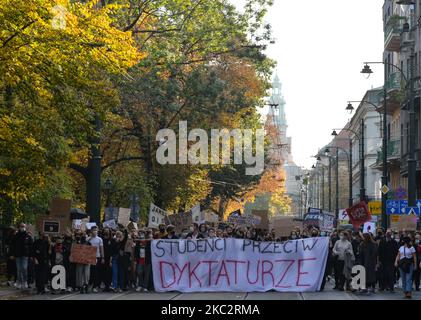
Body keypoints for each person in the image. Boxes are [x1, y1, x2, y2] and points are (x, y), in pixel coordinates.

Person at [10, 223, 33, 289]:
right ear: (19, 227)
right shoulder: (16, 236)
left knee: (24, 268)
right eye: (21, 226)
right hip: (17, 255)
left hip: (25, 255)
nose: (22, 227)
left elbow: (31, 246)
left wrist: (31, 255)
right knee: (19, 269)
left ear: (25, 227)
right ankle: (19, 281)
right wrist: (11, 254)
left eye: (23, 226)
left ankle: (25, 281)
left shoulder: (28, 236)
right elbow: (12, 246)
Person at [87, 226, 104, 293]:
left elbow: (101, 249)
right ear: (91, 231)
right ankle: (90, 284)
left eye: (96, 230)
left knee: (95, 272)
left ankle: (95, 286)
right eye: (94, 230)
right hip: (89, 257)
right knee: (90, 272)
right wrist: (89, 238)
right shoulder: (88, 238)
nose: (95, 231)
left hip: (97, 257)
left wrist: (103, 257)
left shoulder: (99, 239)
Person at [102, 228, 113, 292]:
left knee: (109, 272)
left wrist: (111, 259)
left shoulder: (111, 240)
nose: (106, 232)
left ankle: (109, 285)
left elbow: (113, 249)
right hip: (103, 258)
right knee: (103, 271)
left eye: (107, 231)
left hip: (110, 258)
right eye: (105, 231)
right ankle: (105, 285)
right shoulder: (101, 239)